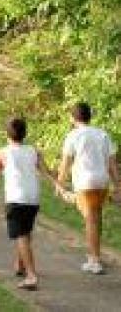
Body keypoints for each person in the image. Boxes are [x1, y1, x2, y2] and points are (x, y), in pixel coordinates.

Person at [0, 117, 55, 290]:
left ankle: (31, 275)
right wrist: (58, 185)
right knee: (26, 232)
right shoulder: (34, 151)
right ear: (25, 133)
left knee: (21, 236)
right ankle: (21, 265)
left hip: (16, 199)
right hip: (33, 198)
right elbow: (47, 173)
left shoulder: (2, 153)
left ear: (6, 134)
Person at [57, 102, 120, 274]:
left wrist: (60, 183)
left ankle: (94, 260)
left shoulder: (73, 135)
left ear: (73, 118)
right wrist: (117, 185)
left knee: (90, 219)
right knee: (96, 217)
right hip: (102, 181)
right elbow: (112, 162)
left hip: (85, 182)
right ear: (89, 116)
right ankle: (95, 254)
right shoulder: (102, 134)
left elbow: (66, 163)